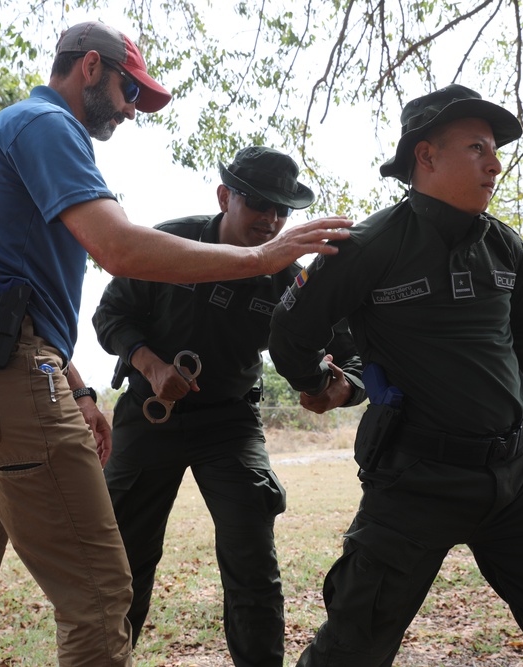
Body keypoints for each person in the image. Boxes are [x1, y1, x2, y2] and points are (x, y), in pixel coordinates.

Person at [0, 21, 350, 667]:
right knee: (101, 589)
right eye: (128, 92)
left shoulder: (23, 132)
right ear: (90, 66)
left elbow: (10, 290)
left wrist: (75, 386)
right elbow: (118, 251)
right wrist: (259, 257)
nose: (129, 111)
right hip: (7, 371)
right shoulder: (45, 125)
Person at [268, 83, 523, 667]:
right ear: (425, 156)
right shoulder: (369, 244)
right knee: (353, 645)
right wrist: (320, 384)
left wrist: (494, 377)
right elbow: (292, 329)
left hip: (513, 478)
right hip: (415, 480)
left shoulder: (504, 244)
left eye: (494, 150)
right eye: (478, 148)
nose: (495, 164)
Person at [92, 145, 366, 666]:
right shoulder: (166, 241)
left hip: (231, 423)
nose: (271, 220)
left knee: (252, 561)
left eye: (282, 211)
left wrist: (342, 387)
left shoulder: (289, 277)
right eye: (259, 204)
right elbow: (110, 316)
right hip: (152, 417)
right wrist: (152, 367)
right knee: (123, 563)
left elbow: (351, 348)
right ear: (224, 197)